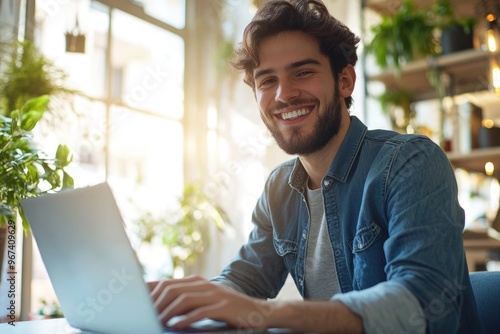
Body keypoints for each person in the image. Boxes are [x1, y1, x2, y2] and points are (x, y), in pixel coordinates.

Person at [149, 0, 482, 333]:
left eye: (303, 72)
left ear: (345, 81)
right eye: (266, 81)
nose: (284, 94)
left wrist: (267, 314)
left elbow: (421, 305)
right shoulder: (279, 188)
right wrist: (185, 299)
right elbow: (244, 279)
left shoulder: (410, 163)